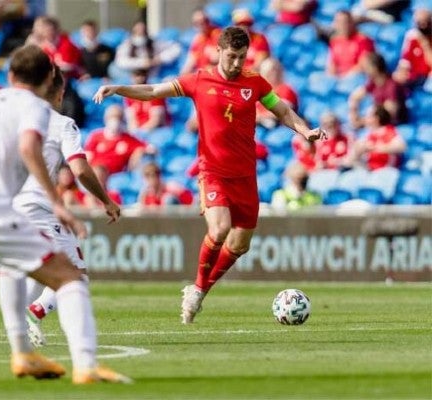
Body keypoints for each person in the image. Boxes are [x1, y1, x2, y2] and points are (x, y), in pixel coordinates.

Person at [93, 26, 326, 324]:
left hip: (245, 175)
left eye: (242, 57)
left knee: (240, 245)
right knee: (219, 229)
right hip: (213, 170)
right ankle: (197, 289)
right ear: (219, 51)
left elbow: (281, 109)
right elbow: (153, 91)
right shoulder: (199, 80)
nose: (236, 63)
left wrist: (305, 130)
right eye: (231, 56)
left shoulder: (254, 82)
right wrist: (119, 88)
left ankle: (199, 289)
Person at [0, 44, 130, 384]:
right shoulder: (35, 107)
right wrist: (56, 201)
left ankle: (23, 352)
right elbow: (28, 147)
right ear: (51, 78)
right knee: (70, 276)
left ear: (9, 75)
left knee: (12, 267)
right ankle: (86, 366)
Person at [11, 66, 121, 348]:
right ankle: (31, 315)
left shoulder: (18, 121)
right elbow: (81, 170)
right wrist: (106, 200)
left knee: (39, 265)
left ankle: (19, 322)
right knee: (77, 275)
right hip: (40, 206)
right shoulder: (62, 124)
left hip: (12, 205)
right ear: (60, 93)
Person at [84, 104, 156, 175]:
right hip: (95, 173)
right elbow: (87, 156)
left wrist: (140, 151)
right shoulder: (96, 136)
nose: (115, 121)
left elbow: (151, 149)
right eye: (112, 117)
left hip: (116, 176)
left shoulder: (128, 139)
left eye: (118, 117)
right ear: (106, 118)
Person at [349, 52, 409, 128]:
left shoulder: (392, 85)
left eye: (366, 67)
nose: (364, 70)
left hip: (393, 125)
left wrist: (364, 121)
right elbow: (355, 97)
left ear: (375, 68)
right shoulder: (373, 83)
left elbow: (390, 113)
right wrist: (354, 115)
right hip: (377, 121)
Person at [112, 19, 182, 80]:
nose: (140, 33)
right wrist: (142, 63)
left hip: (153, 78)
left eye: (143, 31)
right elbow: (120, 61)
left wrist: (159, 59)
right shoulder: (126, 45)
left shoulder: (154, 43)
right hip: (133, 80)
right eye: (137, 31)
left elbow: (176, 48)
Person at [344, 105, 406, 171]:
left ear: (377, 118)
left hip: (386, 172)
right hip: (370, 171)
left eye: (368, 116)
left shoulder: (389, 131)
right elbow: (349, 161)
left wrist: (374, 148)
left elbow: (401, 147)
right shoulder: (369, 135)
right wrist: (357, 152)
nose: (365, 118)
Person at [326, 10, 375, 77]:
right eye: (339, 22)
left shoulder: (363, 40)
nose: (342, 25)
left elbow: (363, 65)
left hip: (357, 77)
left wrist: (345, 77)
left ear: (352, 23)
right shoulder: (334, 41)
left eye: (345, 22)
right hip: (340, 78)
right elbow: (332, 63)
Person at [393, 8, 432, 88]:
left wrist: (425, 44)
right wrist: (402, 72)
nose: (423, 25)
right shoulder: (411, 36)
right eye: (419, 23)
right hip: (414, 76)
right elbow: (405, 61)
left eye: (426, 22)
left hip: (428, 77)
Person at [256, 57, 298, 129]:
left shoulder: (285, 89)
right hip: (261, 128)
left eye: (275, 71)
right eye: (269, 72)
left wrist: (260, 117)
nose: (273, 75)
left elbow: (283, 112)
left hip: (282, 129)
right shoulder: (261, 93)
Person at [180, 8, 221, 75]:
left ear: (208, 20)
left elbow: (218, 57)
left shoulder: (217, 33)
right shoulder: (198, 39)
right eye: (197, 23)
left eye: (204, 21)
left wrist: (211, 52)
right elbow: (190, 62)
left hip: (214, 75)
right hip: (201, 76)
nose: (201, 25)